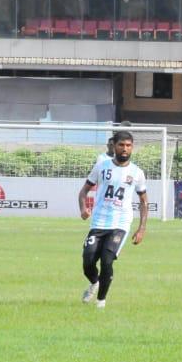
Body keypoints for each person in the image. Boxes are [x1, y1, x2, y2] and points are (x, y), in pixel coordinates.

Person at [78, 130, 147, 309]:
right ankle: (95, 282)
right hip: (99, 221)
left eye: (128, 146)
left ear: (132, 148)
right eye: (121, 145)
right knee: (88, 261)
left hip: (120, 224)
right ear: (114, 146)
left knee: (107, 260)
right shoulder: (102, 166)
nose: (125, 149)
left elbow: (144, 202)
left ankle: (101, 302)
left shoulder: (137, 173)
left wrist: (141, 229)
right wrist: (83, 208)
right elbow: (84, 191)